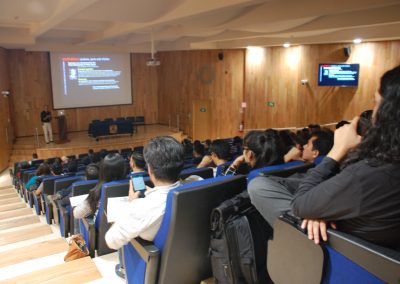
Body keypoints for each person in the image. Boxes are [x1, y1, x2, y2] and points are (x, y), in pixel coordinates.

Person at [249, 65, 400, 249]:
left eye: (376, 103)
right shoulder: (386, 168)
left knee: (258, 185)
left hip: (339, 249)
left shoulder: (372, 174)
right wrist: (320, 211)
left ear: (389, 114)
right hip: (361, 236)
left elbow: (299, 205)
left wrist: (337, 151)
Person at [105, 136, 184, 250]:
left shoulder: (141, 208)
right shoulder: (196, 185)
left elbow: (111, 241)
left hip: (148, 261)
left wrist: (132, 205)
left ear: (150, 169)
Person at [73, 153, 126, 219]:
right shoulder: (132, 184)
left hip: (104, 228)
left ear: (102, 171)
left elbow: (77, 214)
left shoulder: (98, 192)